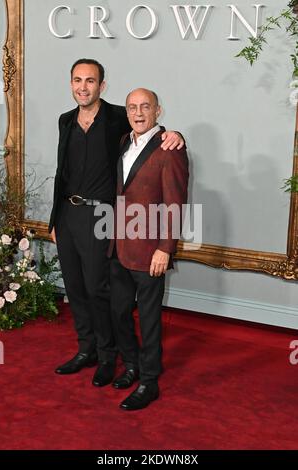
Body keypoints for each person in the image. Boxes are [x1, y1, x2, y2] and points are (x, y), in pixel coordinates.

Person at [49, 59, 184, 387]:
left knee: (99, 291)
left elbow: (150, 132)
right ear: (70, 84)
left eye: (90, 81)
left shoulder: (115, 118)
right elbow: (62, 172)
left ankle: (109, 356)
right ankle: (87, 349)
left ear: (102, 86)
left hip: (102, 218)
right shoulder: (65, 121)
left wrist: (174, 134)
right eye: (77, 80)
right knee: (75, 289)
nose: (83, 86)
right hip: (67, 215)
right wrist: (55, 219)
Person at [109, 88, 189, 410]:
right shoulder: (124, 142)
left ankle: (150, 381)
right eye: (132, 107)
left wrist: (165, 248)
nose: (138, 112)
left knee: (150, 319)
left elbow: (175, 202)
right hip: (119, 246)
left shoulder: (170, 148)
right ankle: (132, 365)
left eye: (145, 106)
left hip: (150, 251)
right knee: (118, 311)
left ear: (159, 110)